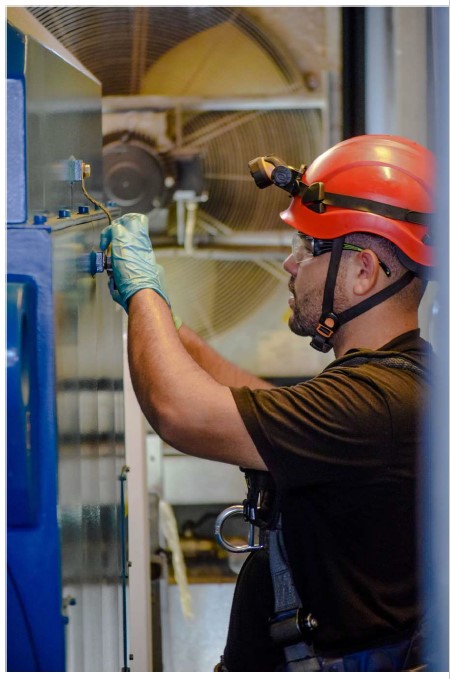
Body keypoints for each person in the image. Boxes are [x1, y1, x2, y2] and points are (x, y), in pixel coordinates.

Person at [100, 135, 434, 672]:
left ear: (363, 271)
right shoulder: (401, 379)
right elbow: (281, 409)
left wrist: (144, 292)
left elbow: (179, 411)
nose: (290, 263)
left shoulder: (377, 404)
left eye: (309, 247)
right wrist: (175, 334)